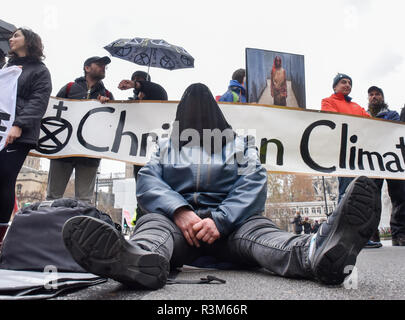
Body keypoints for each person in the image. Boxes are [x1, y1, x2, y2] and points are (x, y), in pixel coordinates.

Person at [63, 83, 381, 289]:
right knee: (152, 226)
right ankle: (138, 259)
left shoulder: (240, 144)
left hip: (236, 230)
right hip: (177, 231)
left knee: (265, 236)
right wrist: (181, 211)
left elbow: (254, 179)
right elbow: (148, 180)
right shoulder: (165, 146)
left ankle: (314, 252)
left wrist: (220, 219)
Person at [0, 28, 52, 246]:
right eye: (11, 36)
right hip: (2, 128)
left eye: (16, 36)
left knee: (4, 179)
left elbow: (38, 100)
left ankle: (1, 236)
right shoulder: (8, 67)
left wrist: (19, 124)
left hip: (18, 134)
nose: (12, 39)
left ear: (28, 41)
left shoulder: (40, 71)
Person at [321, 75, 381, 249]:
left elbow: (371, 124)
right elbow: (333, 121)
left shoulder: (357, 106)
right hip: (343, 154)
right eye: (343, 82)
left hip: (362, 155)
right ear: (335, 86)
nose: (347, 85)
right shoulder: (328, 101)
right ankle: (342, 237)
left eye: (349, 83)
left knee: (363, 194)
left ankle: (360, 237)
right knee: (347, 193)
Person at [46, 56, 114, 204]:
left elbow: (111, 124)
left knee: (84, 200)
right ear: (87, 68)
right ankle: (48, 225)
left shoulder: (107, 95)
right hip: (63, 150)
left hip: (89, 153)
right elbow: (54, 114)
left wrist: (106, 106)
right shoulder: (69, 87)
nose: (103, 67)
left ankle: (80, 226)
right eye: (99, 64)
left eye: (105, 66)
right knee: (53, 195)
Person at [367, 86, 405, 246]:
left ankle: (399, 234)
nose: (374, 97)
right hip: (371, 161)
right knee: (372, 198)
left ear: (382, 97)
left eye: (377, 94)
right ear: (368, 98)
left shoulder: (393, 115)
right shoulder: (363, 116)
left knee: (399, 196)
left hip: (391, 161)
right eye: (371, 94)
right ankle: (372, 235)